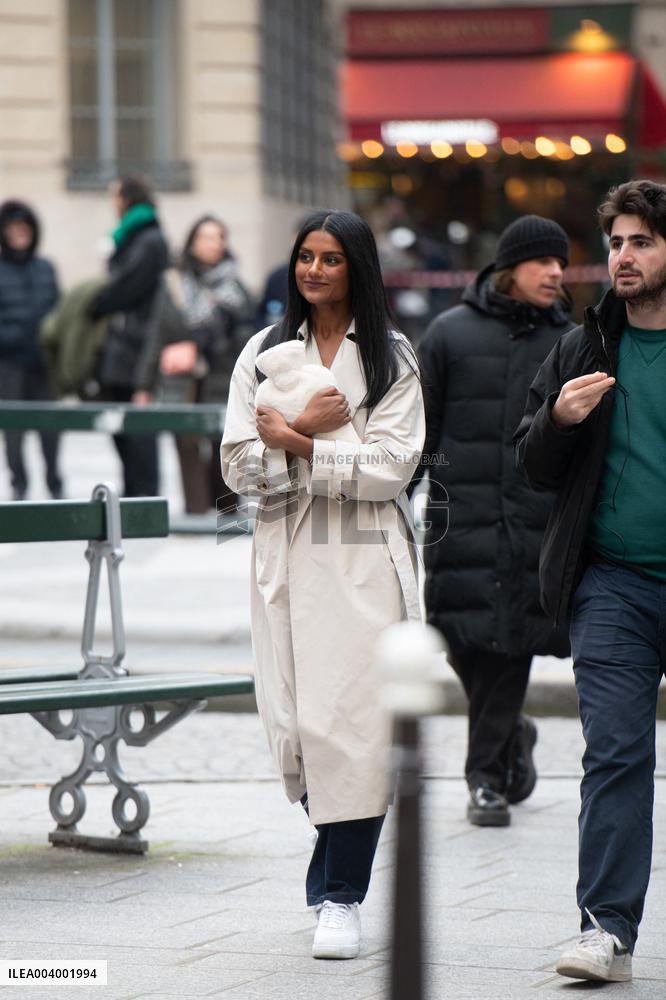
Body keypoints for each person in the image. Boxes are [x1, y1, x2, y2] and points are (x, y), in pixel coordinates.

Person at [221, 210, 424, 960]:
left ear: (357, 268)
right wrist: (297, 432)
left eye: (331, 259)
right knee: (300, 734)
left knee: (354, 729)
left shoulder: (392, 356)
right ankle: (334, 864)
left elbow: (390, 469)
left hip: (363, 558)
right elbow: (237, 466)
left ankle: (339, 896)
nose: (313, 271)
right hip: (284, 550)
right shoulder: (263, 352)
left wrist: (299, 442)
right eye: (305, 257)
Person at [515, 179, 666, 983]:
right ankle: (606, 929)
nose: (623, 256)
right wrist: (559, 420)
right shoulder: (584, 347)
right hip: (611, 585)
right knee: (614, 754)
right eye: (615, 243)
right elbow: (530, 463)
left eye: (641, 241)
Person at [416, 215, 572, 827]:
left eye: (561, 262)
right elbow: (419, 434)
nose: (556, 272)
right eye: (542, 261)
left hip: (533, 524)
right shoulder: (448, 333)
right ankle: (512, 734)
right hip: (459, 519)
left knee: (510, 644)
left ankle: (484, 780)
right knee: (457, 637)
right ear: (510, 267)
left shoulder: (572, 342)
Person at [135, 215, 254, 514]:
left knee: (223, 444)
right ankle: (195, 510)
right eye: (206, 237)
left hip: (222, 376)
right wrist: (143, 386)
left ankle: (227, 510)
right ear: (191, 242)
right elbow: (157, 334)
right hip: (182, 379)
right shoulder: (173, 283)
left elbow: (250, 336)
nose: (213, 244)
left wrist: (212, 339)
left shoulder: (234, 286)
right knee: (186, 443)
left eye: (219, 237)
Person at [88, 175, 168, 496]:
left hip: (137, 346)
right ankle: (135, 492)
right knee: (122, 424)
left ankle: (143, 496)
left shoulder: (148, 239)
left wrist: (96, 304)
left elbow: (128, 286)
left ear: (125, 198)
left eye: (114, 196)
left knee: (137, 426)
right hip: (124, 345)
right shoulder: (132, 236)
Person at [0, 199, 63, 500]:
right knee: (13, 429)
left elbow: (59, 311)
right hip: (9, 364)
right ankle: (19, 484)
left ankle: (54, 481)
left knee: (50, 428)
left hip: (44, 364)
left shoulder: (46, 268)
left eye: (24, 227)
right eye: (13, 227)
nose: (19, 233)